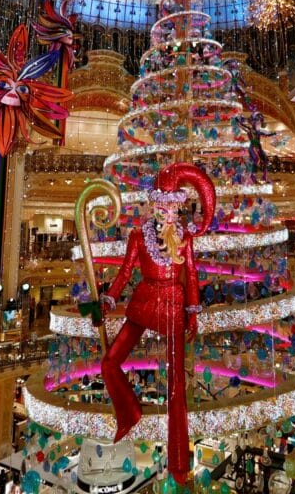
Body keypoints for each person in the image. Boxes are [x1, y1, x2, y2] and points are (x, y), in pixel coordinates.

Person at [99, 163, 216, 484]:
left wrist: (193, 310)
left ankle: (179, 463)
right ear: (154, 204)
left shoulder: (186, 239)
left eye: (172, 204)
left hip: (175, 305)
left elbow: (191, 275)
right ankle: (129, 412)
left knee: (177, 384)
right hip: (145, 299)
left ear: (179, 206)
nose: (166, 209)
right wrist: (109, 297)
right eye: (161, 204)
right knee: (109, 364)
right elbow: (124, 273)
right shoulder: (138, 237)